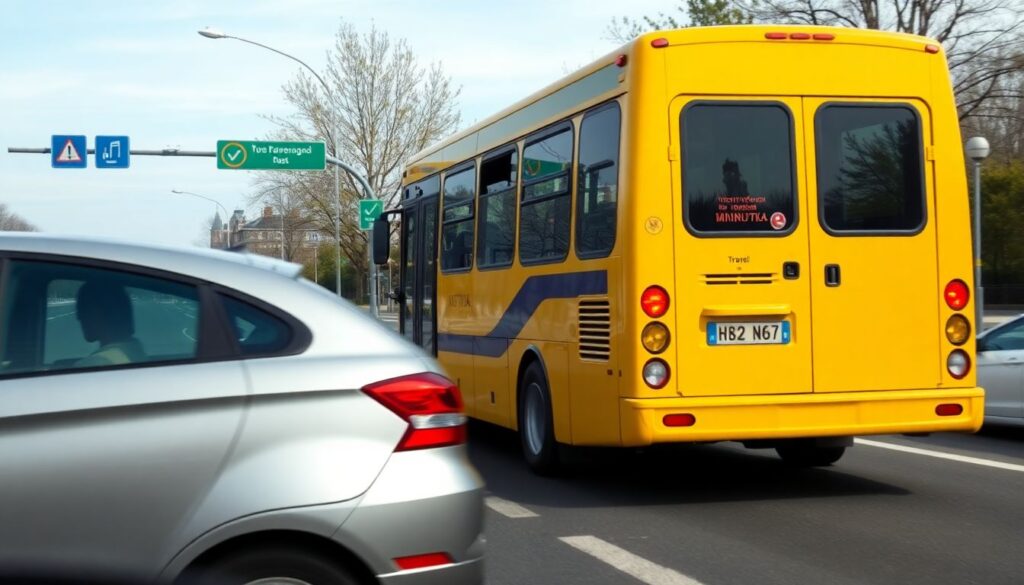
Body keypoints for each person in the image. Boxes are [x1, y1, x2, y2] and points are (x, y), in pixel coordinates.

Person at [75, 280, 145, 367]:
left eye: (81, 311)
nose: (78, 318)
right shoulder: (135, 351)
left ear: (96, 314)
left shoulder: (94, 365)